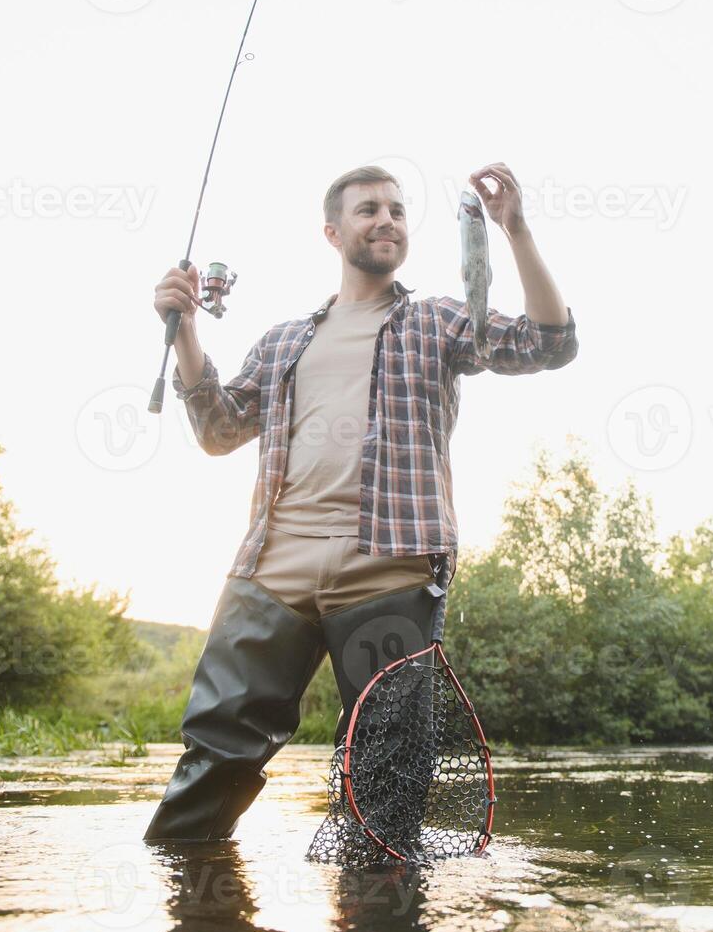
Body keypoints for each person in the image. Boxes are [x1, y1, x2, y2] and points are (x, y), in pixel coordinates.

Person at [142, 162, 579, 843]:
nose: (387, 221)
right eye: (369, 209)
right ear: (332, 230)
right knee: (214, 758)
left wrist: (515, 231)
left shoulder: (437, 321)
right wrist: (188, 334)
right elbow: (219, 432)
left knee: (385, 783)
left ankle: (377, 914)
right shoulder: (284, 339)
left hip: (389, 573)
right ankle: (188, 904)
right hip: (270, 571)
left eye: (398, 211)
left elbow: (548, 345)